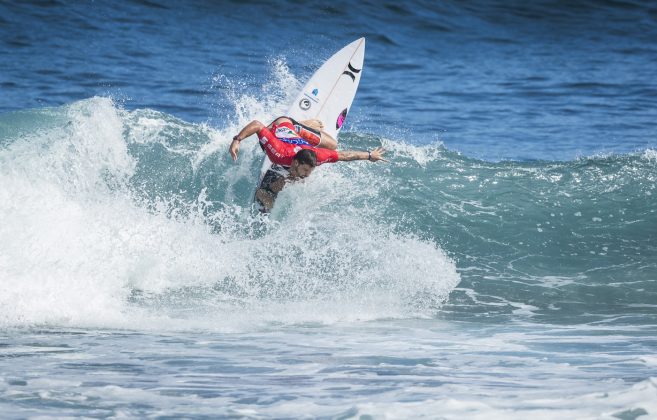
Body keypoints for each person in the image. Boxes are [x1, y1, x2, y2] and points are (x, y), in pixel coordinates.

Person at [230, 116, 387, 210]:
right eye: (305, 170)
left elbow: (345, 155)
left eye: (310, 171)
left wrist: (369, 155)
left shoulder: (319, 156)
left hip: (296, 137)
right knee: (266, 195)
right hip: (280, 125)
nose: (307, 175)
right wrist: (237, 140)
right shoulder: (279, 153)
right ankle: (299, 124)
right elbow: (257, 124)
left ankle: (302, 127)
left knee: (332, 145)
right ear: (296, 163)